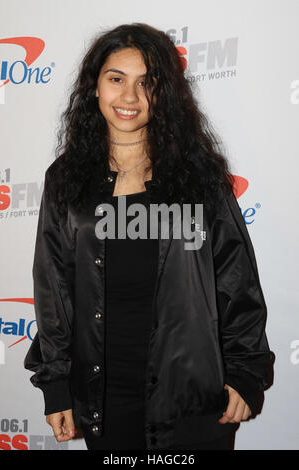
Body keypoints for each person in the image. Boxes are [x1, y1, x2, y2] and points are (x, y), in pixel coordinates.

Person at [24, 23, 273, 451]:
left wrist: (246, 372)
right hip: (104, 396)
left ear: (164, 94)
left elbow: (236, 280)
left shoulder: (199, 177)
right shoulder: (66, 178)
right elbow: (54, 289)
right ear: (95, 88)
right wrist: (56, 385)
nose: (130, 97)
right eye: (116, 79)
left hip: (191, 398)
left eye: (147, 83)